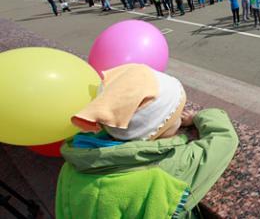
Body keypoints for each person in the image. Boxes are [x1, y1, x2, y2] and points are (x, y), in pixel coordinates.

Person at [56, 64, 238, 218]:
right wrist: (201, 116)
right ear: (159, 128)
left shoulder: (71, 164)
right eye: (177, 113)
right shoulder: (167, 169)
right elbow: (224, 138)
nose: (181, 117)